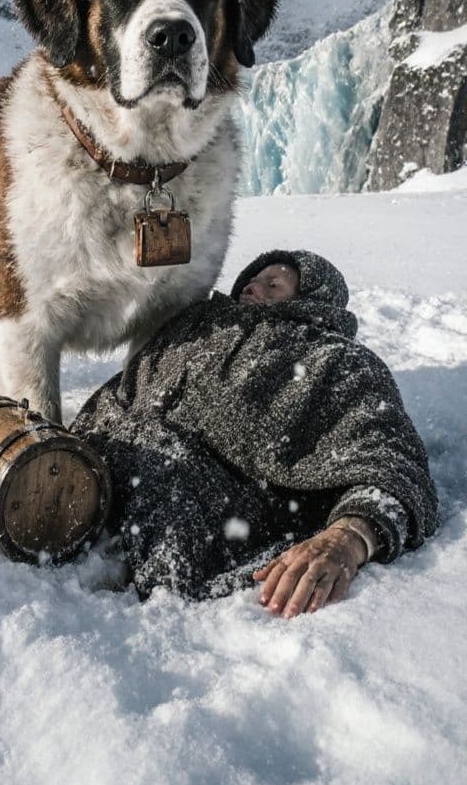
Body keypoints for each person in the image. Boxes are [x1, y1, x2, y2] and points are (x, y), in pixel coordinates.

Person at [71, 250, 440, 617]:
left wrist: (348, 539)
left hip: (201, 529)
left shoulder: (335, 361)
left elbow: (392, 462)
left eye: (273, 284)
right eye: (253, 278)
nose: (253, 286)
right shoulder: (200, 328)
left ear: (312, 301)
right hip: (94, 495)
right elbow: (122, 393)